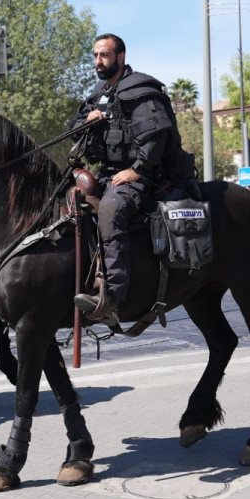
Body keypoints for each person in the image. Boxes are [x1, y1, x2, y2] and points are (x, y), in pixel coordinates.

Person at [69, 33, 185, 326]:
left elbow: (156, 138)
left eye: (104, 55)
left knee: (111, 209)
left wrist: (137, 171)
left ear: (120, 57)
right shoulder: (99, 94)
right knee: (69, 201)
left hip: (142, 176)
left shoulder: (140, 89)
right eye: (95, 55)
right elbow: (73, 127)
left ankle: (113, 295)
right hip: (108, 174)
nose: (98, 61)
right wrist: (87, 122)